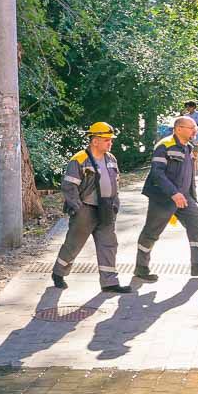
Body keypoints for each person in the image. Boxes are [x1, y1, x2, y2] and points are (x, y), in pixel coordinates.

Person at [135, 116, 198, 281]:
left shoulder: (188, 147)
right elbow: (157, 173)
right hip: (163, 197)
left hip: (184, 197)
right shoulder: (164, 146)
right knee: (152, 232)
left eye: (195, 128)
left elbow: (188, 174)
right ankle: (141, 268)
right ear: (179, 129)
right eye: (191, 128)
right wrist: (173, 193)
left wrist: (190, 194)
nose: (194, 131)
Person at [51, 123, 132, 294]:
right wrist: (78, 208)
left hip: (106, 209)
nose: (110, 143)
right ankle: (59, 273)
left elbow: (115, 182)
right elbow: (69, 186)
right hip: (86, 210)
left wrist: (115, 203)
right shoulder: (80, 159)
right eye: (107, 140)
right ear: (95, 141)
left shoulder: (111, 159)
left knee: (109, 244)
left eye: (110, 140)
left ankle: (109, 283)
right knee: (73, 244)